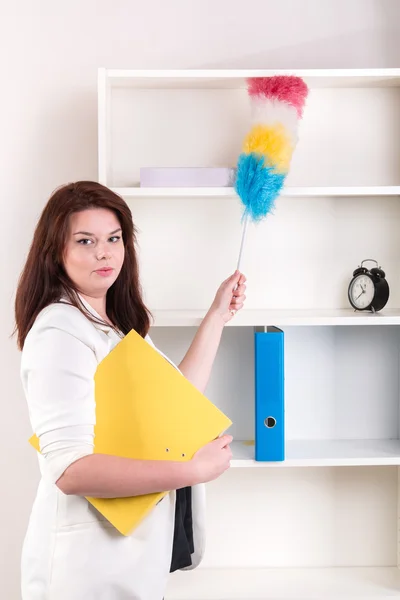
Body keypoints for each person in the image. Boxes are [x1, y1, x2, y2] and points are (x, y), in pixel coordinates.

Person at [14, 181, 247, 600]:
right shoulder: (59, 331)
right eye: (86, 241)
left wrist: (216, 316)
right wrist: (192, 470)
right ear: (56, 253)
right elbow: (69, 470)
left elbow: (174, 403)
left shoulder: (114, 326)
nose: (104, 252)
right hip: (84, 574)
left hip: (131, 563)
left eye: (113, 238)